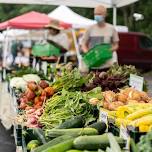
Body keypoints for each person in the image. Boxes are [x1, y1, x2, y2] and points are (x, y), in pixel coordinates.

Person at [81, 5, 119, 70]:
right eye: (95, 14)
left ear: (105, 14)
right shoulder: (90, 28)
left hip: (107, 65)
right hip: (93, 64)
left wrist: (108, 51)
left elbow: (116, 45)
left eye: (99, 14)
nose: (96, 16)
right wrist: (87, 53)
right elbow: (83, 43)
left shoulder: (111, 28)